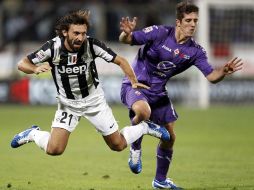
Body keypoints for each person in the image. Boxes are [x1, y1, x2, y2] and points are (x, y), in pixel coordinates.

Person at [11, 10, 171, 158]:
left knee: (118, 145)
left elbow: (120, 60)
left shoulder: (92, 45)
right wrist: (35, 68)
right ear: (65, 32)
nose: (80, 38)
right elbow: (22, 64)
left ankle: (146, 127)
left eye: (83, 33)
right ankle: (33, 134)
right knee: (54, 149)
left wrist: (134, 81)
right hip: (68, 103)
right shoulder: (53, 48)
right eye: (76, 33)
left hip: (94, 101)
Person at [119, 1, 243, 189]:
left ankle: (160, 180)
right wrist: (126, 33)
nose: (193, 24)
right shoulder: (160, 32)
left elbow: (211, 76)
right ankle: (135, 147)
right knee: (143, 112)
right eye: (188, 20)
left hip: (158, 93)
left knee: (170, 137)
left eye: (195, 20)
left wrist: (223, 71)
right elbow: (126, 40)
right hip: (134, 84)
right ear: (178, 22)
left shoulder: (195, 51)